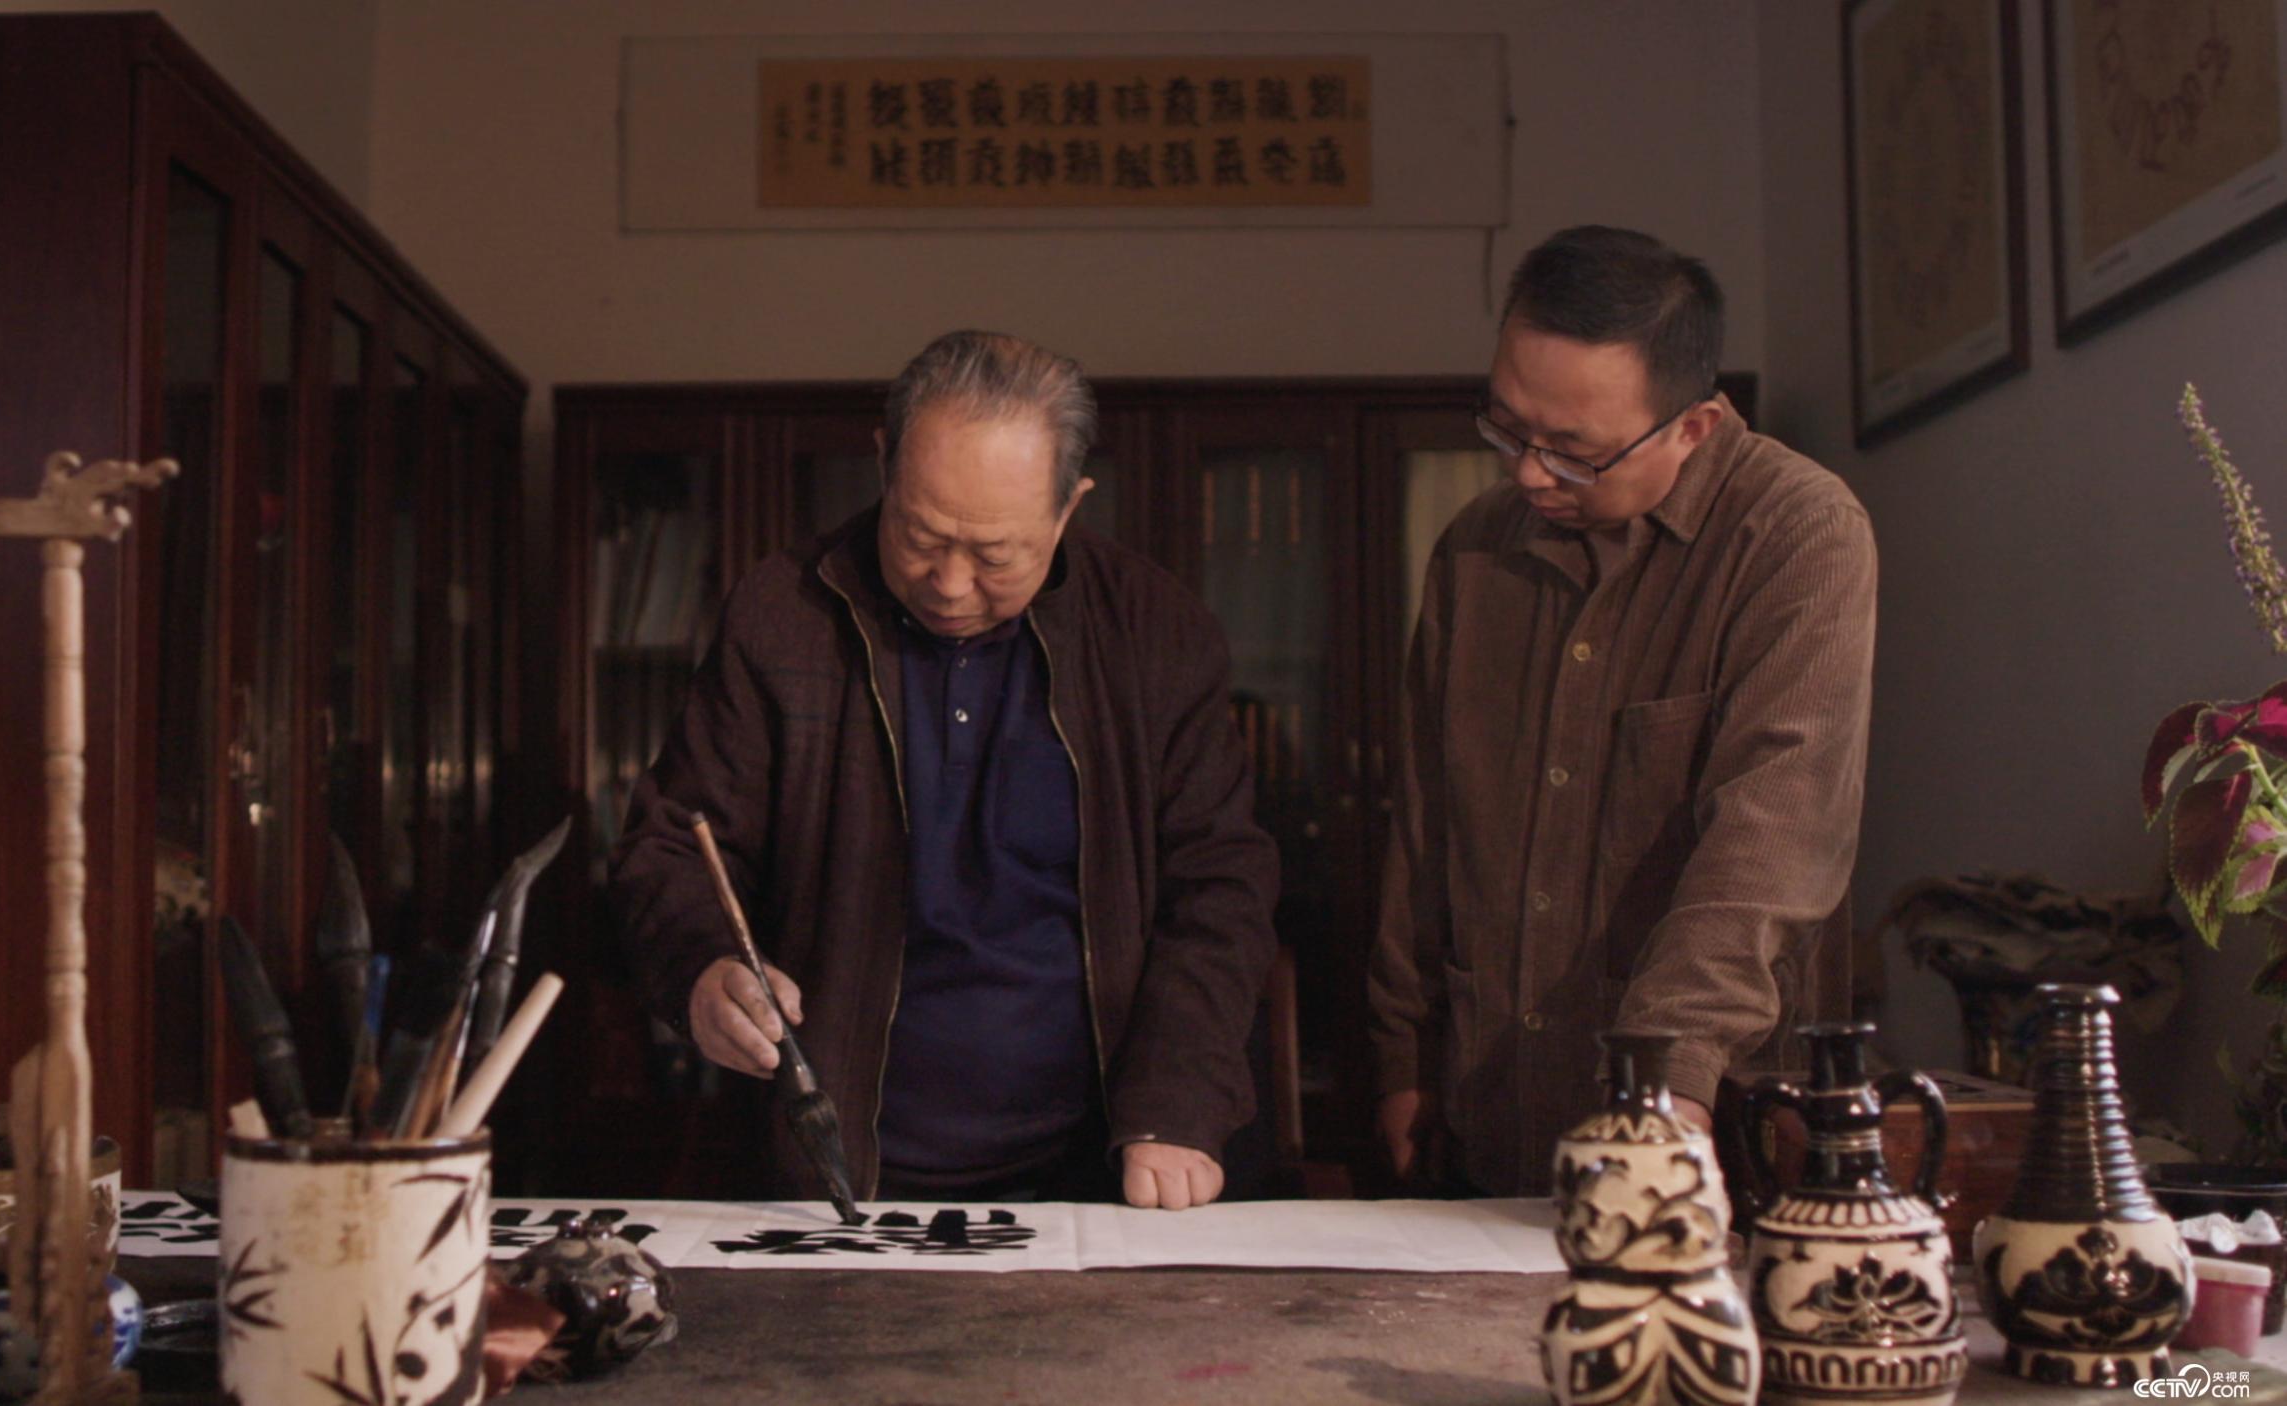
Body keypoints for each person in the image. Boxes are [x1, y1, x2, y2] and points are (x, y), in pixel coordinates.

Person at [614, 329, 1277, 1210]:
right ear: (883, 462)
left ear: (1069, 507)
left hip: (1106, 1163)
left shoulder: (1153, 630)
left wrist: (1176, 1102)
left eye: (995, 554)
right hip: (838, 1170)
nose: (951, 584)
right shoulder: (785, 615)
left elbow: (1221, 884)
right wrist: (702, 969)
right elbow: (672, 845)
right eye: (920, 535)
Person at [1369, 226, 1875, 1196]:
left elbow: (1773, 837)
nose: (1527, 474)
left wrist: (1668, 1083)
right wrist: (1402, 1054)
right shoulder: (1476, 549)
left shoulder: (1797, 533)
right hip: (1490, 1099)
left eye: (1573, 452)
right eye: (1508, 427)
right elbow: (1427, 825)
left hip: (1706, 1133)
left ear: (1694, 427)